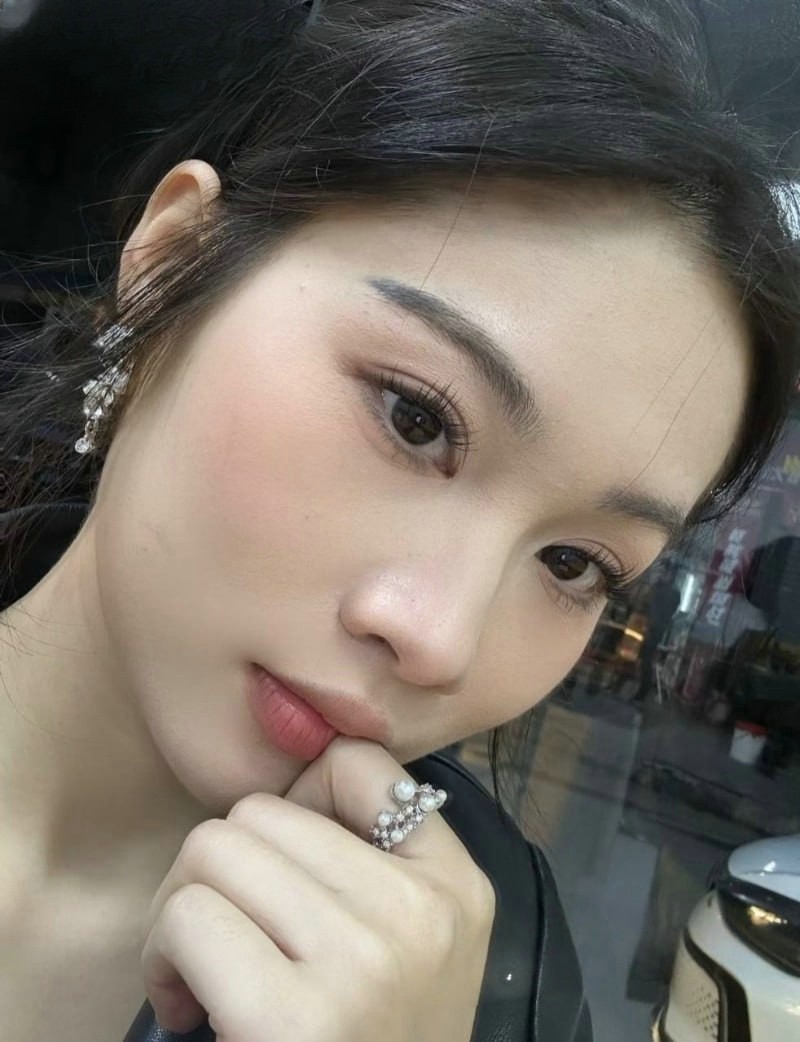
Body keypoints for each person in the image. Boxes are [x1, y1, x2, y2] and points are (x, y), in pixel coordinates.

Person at [1, 2, 799, 1041]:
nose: (439, 639)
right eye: (415, 417)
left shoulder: (493, 984)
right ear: (171, 260)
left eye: (574, 563)